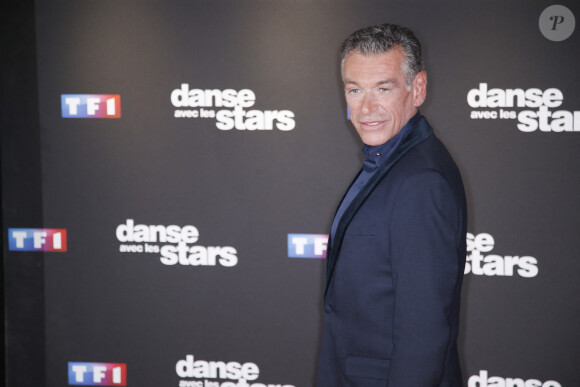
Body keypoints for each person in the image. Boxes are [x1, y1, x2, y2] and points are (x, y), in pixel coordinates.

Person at [317, 23, 467, 386]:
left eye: (383, 88)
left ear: (417, 89)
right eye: (355, 89)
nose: (366, 107)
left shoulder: (420, 182)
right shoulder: (388, 159)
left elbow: (424, 331)